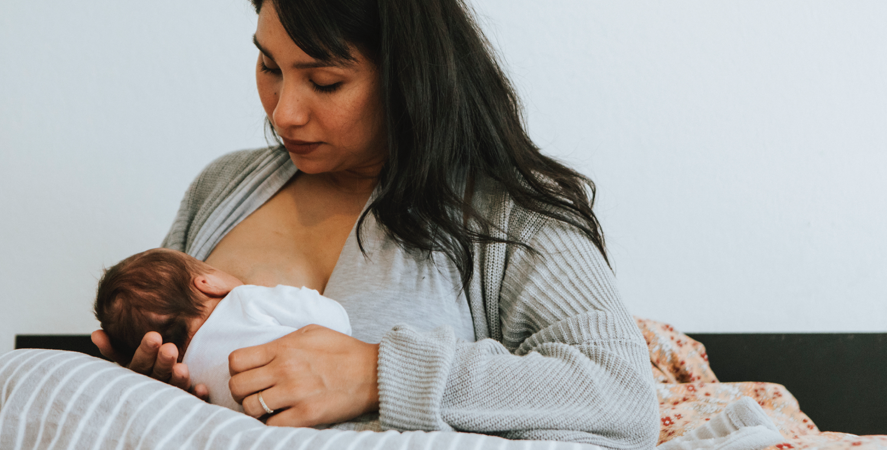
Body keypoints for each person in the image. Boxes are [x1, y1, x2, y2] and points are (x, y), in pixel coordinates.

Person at [91, 0, 660, 448]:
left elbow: (622, 396)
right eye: (269, 66)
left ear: (409, 78)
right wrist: (151, 386)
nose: (284, 111)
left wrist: (378, 373)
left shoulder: (512, 215)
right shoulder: (223, 187)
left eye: (325, 82)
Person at [93, 247, 352, 413]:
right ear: (208, 283)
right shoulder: (244, 300)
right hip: (330, 403)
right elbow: (335, 320)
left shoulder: (189, 380)